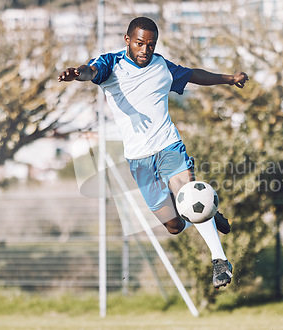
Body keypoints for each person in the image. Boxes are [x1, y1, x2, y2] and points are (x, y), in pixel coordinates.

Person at [58, 17, 249, 288]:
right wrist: (77, 74)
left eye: (151, 44)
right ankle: (207, 211)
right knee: (174, 226)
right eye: (139, 43)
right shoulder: (111, 64)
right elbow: (90, 71)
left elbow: (193, 74)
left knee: (187, 189)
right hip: (139, 159)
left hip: (168, 145)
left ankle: (219, 261)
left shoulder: (162, 66)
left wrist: (230, 79)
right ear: (127, 40)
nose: (145, 50)